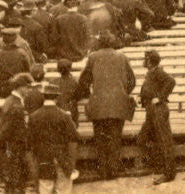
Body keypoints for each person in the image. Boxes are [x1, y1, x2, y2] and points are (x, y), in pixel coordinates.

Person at [75, 31, 136, 181]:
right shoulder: (122, 57)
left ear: (99, 43)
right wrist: (121, 92)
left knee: (101, 139)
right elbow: (132, 81)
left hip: (99, 105)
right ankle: (113, 171)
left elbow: (83, 80)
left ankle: (102, 170)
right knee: (115, 138)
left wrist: (92, 93)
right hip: (118, 104)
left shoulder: (93, 57)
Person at [29, 85, 80, 194]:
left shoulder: (33, 116)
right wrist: (71, 162)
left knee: (45, 189)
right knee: (63, 189)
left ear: (44, 97)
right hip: (62, 158)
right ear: (56, 98)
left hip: (43, 159)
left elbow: (30, 142)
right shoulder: (64, 116)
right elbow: (74, 139)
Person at [137, 49, 176, 185]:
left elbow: (171, 81)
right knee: (142, 138)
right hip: (151, 111)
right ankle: (158, 165)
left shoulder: (158, 71)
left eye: (145, 58)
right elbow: (149, 88)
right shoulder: (151, 72)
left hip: (158, 111)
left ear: (150, 61)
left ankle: (169, 173)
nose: (144, 61)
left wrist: (160, 97)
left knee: (165, 142)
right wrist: (141, 97)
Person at [0, 73, 34, 194]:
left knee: (16, 177)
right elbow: (7, 129)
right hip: (14, 144)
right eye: (27, 87)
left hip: (15, 144)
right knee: (15, 178)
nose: (29, 90)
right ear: (20, 87)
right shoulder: (15, 104)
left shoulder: (13, 101)